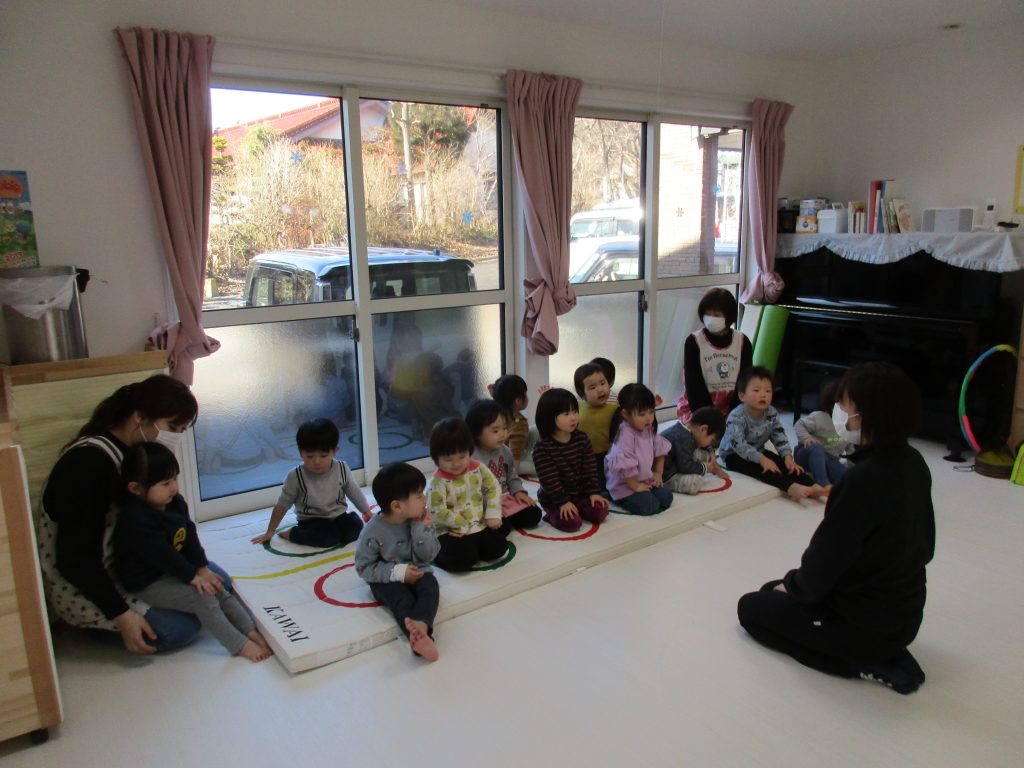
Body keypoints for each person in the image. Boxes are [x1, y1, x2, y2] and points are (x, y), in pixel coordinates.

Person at [737, 362, 935, 694]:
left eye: (845, 405)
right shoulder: (914, 462)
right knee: (774, 589)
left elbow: (824, 561)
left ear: (869, 415)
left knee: (751, 608)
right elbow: (924, 547)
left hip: (860, 624)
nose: (839, 411)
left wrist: (794, 588)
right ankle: (880, 650)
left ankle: (858, 662)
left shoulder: (862, 481)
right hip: (904, 616)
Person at [39, 374, 215, 654]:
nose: (176, 437)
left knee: (218, 585)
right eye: (173, 428)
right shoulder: (88, 465)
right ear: (139, 417)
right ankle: (90, 624)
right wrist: (121, 614)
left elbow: (176, 519)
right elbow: (74, 559)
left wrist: (197, 567)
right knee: (181, 629)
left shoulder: (137, 454)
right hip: (89, 581)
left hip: (134, 563)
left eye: (181, 430)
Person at [115, 443, 272, 662]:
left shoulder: (175, 502)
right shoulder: (136, 520)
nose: (173, 488)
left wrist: (201, 568)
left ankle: (250, 630)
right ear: (136, 489)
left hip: (174, 567)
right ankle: (238, 645)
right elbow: (164, 557)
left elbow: (189, 535)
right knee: (203, 597)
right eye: (165, 483)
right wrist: (192, 577)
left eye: (174, 479)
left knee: (217, 584)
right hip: (149, 582)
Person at [355, 462, 441, 662]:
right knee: (402, 599)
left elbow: (429, 556)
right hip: (386, 579)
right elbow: (363, 567)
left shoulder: (418, 519)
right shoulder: (372, 532)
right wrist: (398, 573)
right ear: (397, 506)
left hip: (417, 569)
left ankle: (421, 626)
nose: (424, 499)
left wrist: (420, 530)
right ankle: (421, 638)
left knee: (430, 586)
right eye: (418, 496)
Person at [251, 418, 371, 547]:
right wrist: (270, 531)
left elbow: (354, 492)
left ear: (335, 451)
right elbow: (282, 504)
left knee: (354, 530)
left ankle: (338, 529)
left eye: (323, 456)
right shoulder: (296, 476)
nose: (317, 462)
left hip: (338, 515)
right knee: (328, 538)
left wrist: (367, 512)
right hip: (312, 520)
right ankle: (292, 533)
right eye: (309, 456)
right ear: (300, 452)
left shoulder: (342, 468)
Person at [719, 366, 829, 502]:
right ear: (742, 396)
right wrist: (762, 459)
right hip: (734, 455)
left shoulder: (771, 413)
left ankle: (813, 485)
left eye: (768, 390)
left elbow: (779, 436)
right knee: (764, 469)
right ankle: (791, 487)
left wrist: (787, 457)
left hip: (758, 450)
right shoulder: (736, 416)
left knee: (783, 464)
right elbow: (739, 445)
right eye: (756, 390)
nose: (763, 395)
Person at [427, 417, 508, 572]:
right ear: (436, 458)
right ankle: (437, 552)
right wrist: (461, 524)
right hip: (450, 529)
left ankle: (474, 547)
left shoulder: (477, 467)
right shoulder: (437, 482)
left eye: (462, 456)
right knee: (462, 561)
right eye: (448, 459)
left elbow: (493, 486)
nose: (457, 464)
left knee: (499, 548)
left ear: (469, 451)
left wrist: (492, 513)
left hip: (477, 523)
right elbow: (437, 511)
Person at [531, 388, 610, 532]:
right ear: (549, 416)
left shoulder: (582, 438)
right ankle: (551, 514)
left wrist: (594, 492)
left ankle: (578, 508)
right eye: (566, 414)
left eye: (575, 412)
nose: (573, 418)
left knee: (600, 512)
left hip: (580, 494)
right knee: (572, 523)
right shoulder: (542, 447)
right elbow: (549, 480)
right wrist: (563, 502)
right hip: (555, 499)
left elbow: (590, 468)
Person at [676, 288, 753, 424]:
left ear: (728, 317)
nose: (711, 318)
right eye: (707, 314)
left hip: (733, 410)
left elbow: (745, 382)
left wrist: (733, 415)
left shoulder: (742, 342)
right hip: (699, 410)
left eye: (716, 315)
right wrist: (710, 419)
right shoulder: (694, 342)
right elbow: (694, 386)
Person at [465, 398, 542, 530]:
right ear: (476, 432)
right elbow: (471, 491)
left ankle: (506, 519)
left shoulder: (505, 451)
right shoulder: (471, 457)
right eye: (495, 431)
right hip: (484, 504)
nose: (502, 434)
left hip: (505, 498)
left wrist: (518, 491)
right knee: (501, 528)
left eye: (505, 428)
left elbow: (512, 475)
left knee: (534, 514)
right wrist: (489, 509)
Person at [604, 384, 673, 515]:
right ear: (625, 414)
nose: (649, 418)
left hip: (644, 479)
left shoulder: (648, 428)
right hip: (624, 485)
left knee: (667, 498)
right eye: (642, 414)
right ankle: (615, 498)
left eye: (651, 412)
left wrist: (658, 473)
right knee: (651, 505)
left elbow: (660, 451)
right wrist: (635, 486)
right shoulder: (625, 434)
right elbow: (625, 467)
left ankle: (643, 494)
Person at [793, 379, 855, 488]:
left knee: (848, 478)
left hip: (830, 459)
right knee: (817, 448)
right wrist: (806, 438)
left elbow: (851, 453)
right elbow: (799, 424)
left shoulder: (850, 428)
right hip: (806, 454)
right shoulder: (819, 417)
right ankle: (823, 484)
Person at [662, 405, 729, 494]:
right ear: (703, 429)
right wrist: (705, 468)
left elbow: (701, 444)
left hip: (677, 460)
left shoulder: (685, 429)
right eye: (711, 440)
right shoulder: (685, 439)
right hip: (666, 474)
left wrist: (710, 451)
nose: (710, 443)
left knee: (702, 454)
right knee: (696, 482)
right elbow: (685, 466)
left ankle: (713, 466)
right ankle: (666, 485)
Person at [574, 361, 617, 494]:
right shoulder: (577, 406)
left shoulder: (615, 409)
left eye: (603, 383)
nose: (600, 389)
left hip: (606, 455)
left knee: (604, 484)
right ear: (582, 393)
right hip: (581, 455)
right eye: (592, 387)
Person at [489, 373, 531, 473]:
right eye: (525, 394)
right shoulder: (519, 423)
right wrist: (513, 477)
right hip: (505, 465)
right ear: (518, 401)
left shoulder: (492, 414)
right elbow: (514, 456)